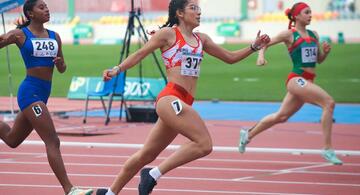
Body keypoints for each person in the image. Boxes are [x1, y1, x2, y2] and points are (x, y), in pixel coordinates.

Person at [95, 0, 270, 194]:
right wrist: (116, 69)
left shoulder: (202, 39)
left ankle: (110, 192)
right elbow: (140, 54)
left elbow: (230, 57)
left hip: (184, 101)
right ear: (179, 13)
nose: (199, 12)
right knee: (204, 144)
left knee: (147, 153)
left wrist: (254, 46)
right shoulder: (168, 34)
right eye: (193, 8)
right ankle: (153, 174)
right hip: (170, 97)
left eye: (199, 8)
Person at [0, 0, 93, 194]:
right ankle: (70, 189)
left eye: (47, 7)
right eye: (41, 7)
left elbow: (62, 68)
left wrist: (59, 63)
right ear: (30, 14)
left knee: (12, 139)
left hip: (44, 93)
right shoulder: (20, 34)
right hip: (30, 93)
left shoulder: (54, 36)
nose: (46, 9)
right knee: (53, 141)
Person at [238, 2, 342, 165]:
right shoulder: (289, 34)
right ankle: (327, 149)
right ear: (297, 16)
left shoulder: (314, 35)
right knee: (328, 103)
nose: (310, 15)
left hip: (307, 81)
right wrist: (260, 56)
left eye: (311, 12)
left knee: (281, 116)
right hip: (296, 79)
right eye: (306, 12)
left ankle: (248, 134)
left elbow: (318, 60)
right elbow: (264, 44)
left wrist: (326, 53)